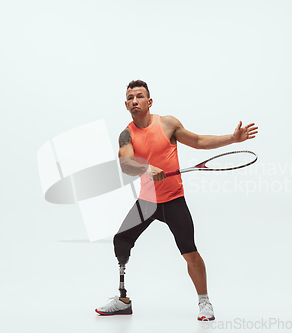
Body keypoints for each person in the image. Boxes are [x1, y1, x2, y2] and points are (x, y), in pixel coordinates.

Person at [95, 80, 258, 321]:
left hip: (173, 201)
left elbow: (199, 141)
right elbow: (125, 163)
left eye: (139, 96)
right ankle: (122, 299)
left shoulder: (168, 124)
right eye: (130, 98)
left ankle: (204, 302)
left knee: (189, 251)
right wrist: (146, 167)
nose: (134, 101)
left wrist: (232, 139)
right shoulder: (126, 134)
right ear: (126, 105)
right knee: (121, 240)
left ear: (149, 102)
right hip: (147, 201)